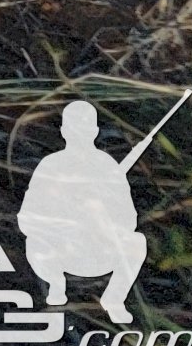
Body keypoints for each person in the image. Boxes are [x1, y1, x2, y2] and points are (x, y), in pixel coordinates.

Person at [20, 98, 152, 323]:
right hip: (59, 253)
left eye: (85, 127)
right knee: (32, 242)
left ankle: (114, 298)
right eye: (74, 127)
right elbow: (26, 220)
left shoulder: (107, 166)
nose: (79, 133)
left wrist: (102, 212)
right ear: (63, 131)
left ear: (95, 131)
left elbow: (129, 220)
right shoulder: (50, 165)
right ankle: (56, 284)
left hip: (100, 251)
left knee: (137, 241)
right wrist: (64, 215)